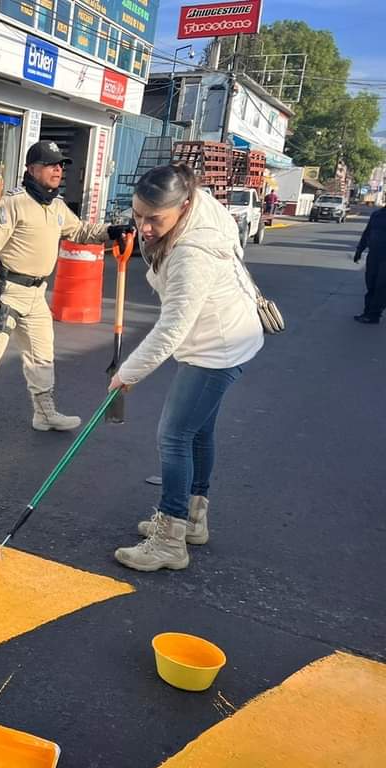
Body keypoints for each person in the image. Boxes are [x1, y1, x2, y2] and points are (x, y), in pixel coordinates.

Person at [108, 164, 264, 572]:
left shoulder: (192, 255)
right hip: (231, 333)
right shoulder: (200, 204)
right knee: (198, 432)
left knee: (174, 435)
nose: (143, 226)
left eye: (154, 219)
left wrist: (128, 373)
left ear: (184, 206)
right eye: (137, 214)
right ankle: (192, 519)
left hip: (218, 346)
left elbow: (172, 328)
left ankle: (170, 542)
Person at [0, 140, 135, 435]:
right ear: (33, 169)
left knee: (42, 356)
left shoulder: (57, 206)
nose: (58, 170)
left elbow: (81, 231)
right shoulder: (12, 203)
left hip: (36, 296)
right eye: (51, 164)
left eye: (61, 165)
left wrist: (112, 231)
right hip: (6, 291)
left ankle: (44, 414)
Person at [353, 204, 386, 324]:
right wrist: (359, 250)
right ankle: (367, 312)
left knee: (381, 285)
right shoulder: (377, 215)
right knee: (371, 283)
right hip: (374, 255)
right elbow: (367, 233)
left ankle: (374, 314)